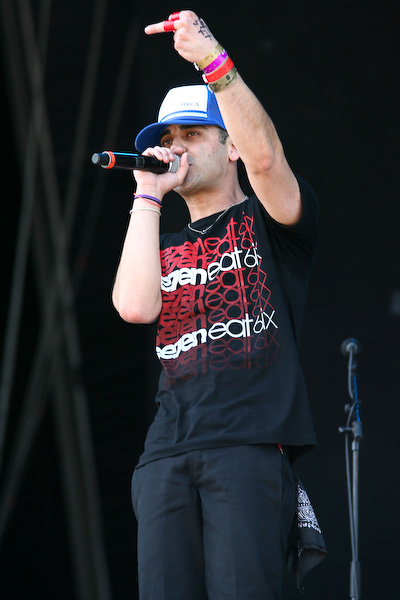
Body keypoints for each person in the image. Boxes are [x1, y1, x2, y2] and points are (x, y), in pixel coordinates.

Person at [112, 9, 320, 600]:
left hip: (247, 447)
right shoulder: (161, 242)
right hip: (166, 453)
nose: (174, 149)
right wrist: (147, 194)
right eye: (166, 141)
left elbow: (267, 160)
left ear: (230, 148)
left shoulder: (268, 222)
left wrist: (212, 61)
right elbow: (134, 307)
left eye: (192, 135)